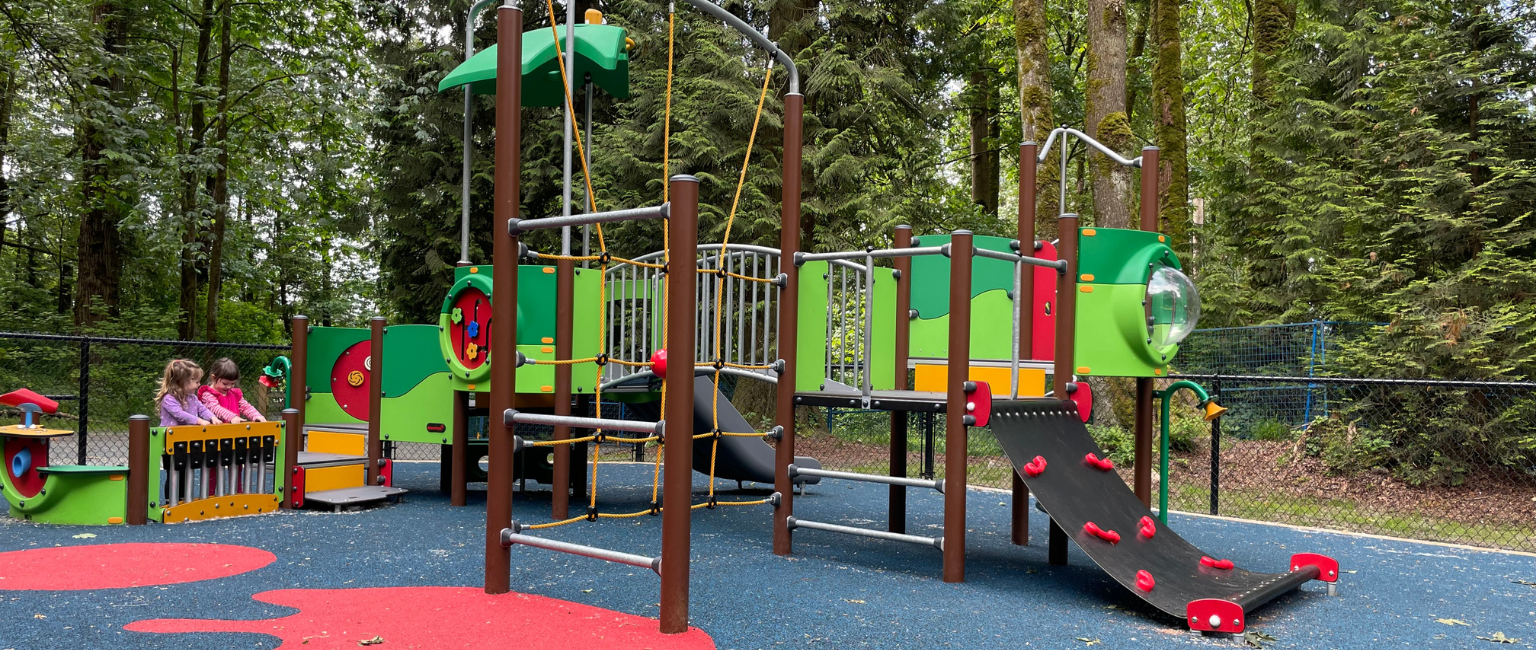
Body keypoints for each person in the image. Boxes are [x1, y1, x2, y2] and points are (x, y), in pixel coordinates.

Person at [198, 358, 267, 424]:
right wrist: (231, 417)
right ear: (213, 378)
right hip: (215, 433)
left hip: (234, 432)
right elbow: (215, 408)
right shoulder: (208, 394)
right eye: (225, 383)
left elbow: (245, 406)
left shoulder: (234, 394)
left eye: (232, 383)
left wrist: (256, 416)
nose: (229, 387)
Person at [158, 359, 215, 427]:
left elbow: (202, 409)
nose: (199, 384)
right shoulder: (169, 399)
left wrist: (212, 417)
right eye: (197, 382)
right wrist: (199, 421)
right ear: (183, 382)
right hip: (169, 435)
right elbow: (179, 414)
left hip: (187, 434)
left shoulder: (193, 397)